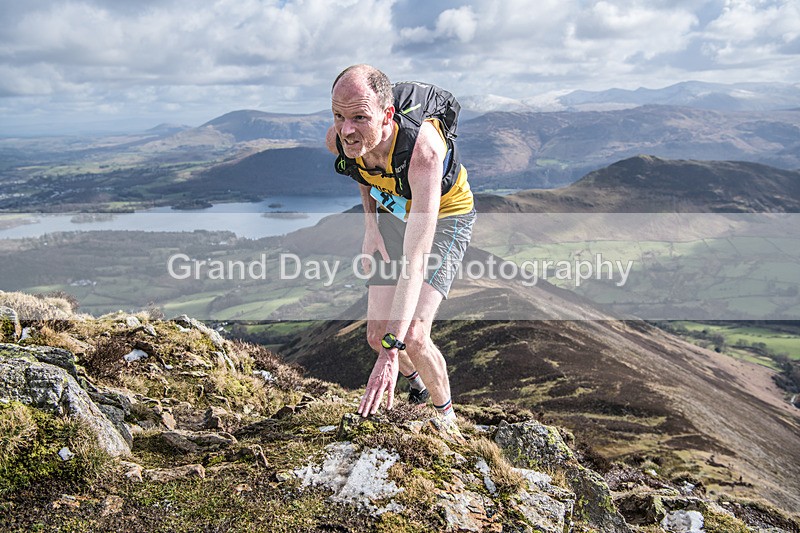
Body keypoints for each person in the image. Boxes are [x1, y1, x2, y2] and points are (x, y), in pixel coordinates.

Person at [326, 64, 476, 426]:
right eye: (338, 116)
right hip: (393, 213)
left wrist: (393, 353)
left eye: (360, 117)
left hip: (443, 216)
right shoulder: (339, 138)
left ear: (387, 115)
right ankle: (419, 389)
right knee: (378, 335)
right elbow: (358, 167)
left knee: (410, 334)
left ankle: (447, 422)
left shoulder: (423, 154)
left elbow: (416, 260)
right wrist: (370, 223)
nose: (347, 129)